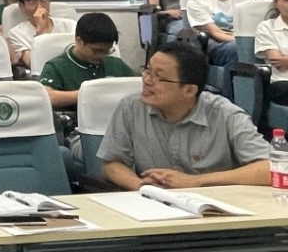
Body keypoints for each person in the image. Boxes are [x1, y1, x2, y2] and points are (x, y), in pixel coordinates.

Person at [98, 44, 269, 190]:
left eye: (159, 77)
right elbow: (112, 163)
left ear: (189, 90)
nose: (147, 80)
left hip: (213, 205)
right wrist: (142, 187)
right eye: (148, 71)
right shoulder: (131, 107)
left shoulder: (226, 114)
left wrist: (195, 181)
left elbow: (270, 168)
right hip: (153, 206)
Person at [39, 13, 134, 112]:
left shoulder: (116, 64)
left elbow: (137, 88)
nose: (101, 55)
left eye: (107, 51)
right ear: (79, 41)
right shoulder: (56, 66)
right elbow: (48, 97)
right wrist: (89, 93)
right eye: (97, 50)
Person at [7, 0, 78, 70]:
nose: (40, 6)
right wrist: (40, 31)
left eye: (43, 0)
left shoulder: (70, 25)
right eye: (31, 2)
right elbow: (33, 64)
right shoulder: (16, 34)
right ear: (22, 6)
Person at [253, 0, 288, 121]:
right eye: (286, 0)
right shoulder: (266, 27)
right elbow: (278, 62)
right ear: (276, 3)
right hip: (282, 82)